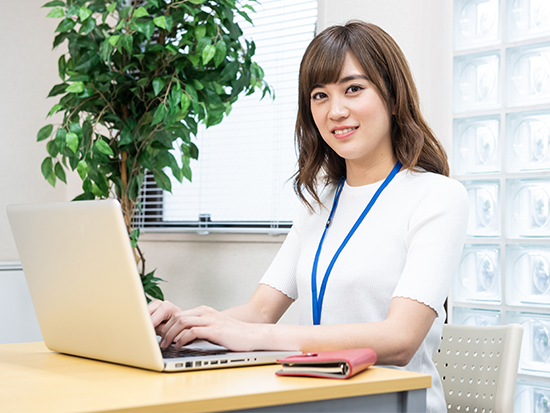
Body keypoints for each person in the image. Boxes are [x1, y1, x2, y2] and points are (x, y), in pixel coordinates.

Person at [149, 20, 469, 412]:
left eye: (353, 88)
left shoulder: (437, 196)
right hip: (314, 397)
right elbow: (259, 311)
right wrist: (183, 325)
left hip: (391, 403)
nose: (335, 111)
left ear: (392, 93)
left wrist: (259, 337)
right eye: (320, 95)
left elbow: (401, 339)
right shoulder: (319, 203)